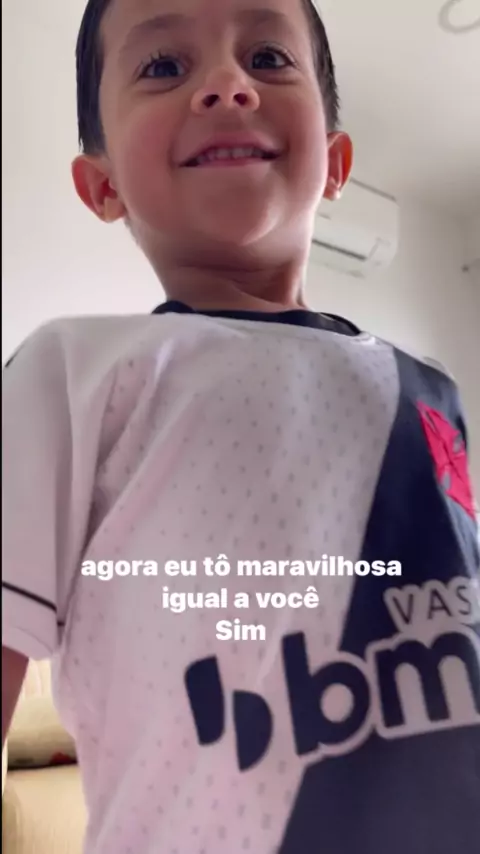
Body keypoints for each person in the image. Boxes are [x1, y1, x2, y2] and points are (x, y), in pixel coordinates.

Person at [2, 0, 479, 852]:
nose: (228, 84)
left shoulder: (432, 389)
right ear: (102, 185)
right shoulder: (69, 373)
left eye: (267, 58)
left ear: (335, 161)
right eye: (163, 67)